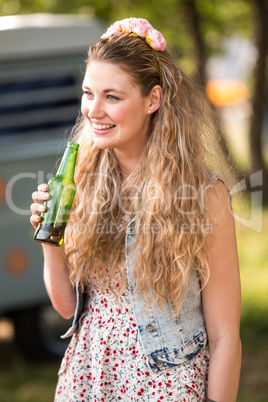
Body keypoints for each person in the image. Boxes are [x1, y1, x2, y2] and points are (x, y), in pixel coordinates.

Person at [30, 17, 241, 402]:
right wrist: (50, 239)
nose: (93, 110)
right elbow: (66, 307)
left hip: (164, 385)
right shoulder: (82, 181)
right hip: (90, 376)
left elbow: (226, 336)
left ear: (152, 100)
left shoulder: (204, 196)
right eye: (88, 93)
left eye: (112, 96)